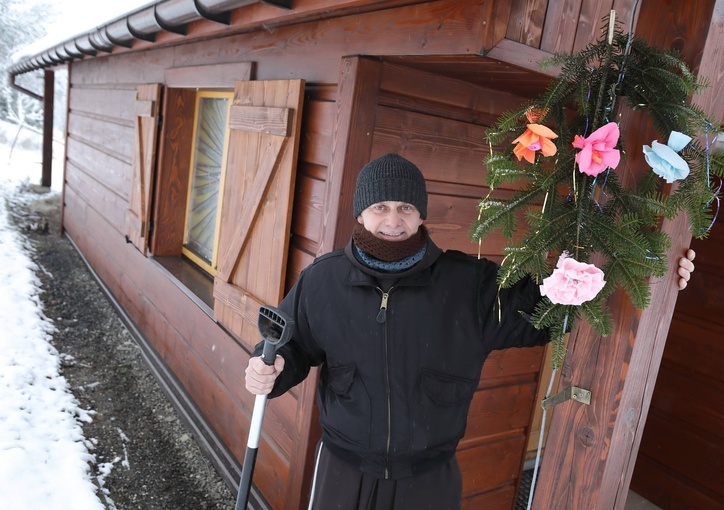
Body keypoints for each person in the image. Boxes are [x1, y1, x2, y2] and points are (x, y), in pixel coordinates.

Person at [245, 153, 695, 509]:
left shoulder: (467, 284)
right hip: (344, 469)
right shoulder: (323, 281)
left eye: (405, 207)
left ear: (421, 216)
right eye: (380, 207)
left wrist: (650, 268)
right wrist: (270, 368)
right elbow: (289, 346)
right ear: (361, 215)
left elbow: (551, 308)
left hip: (429, 477)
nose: (393, 220)